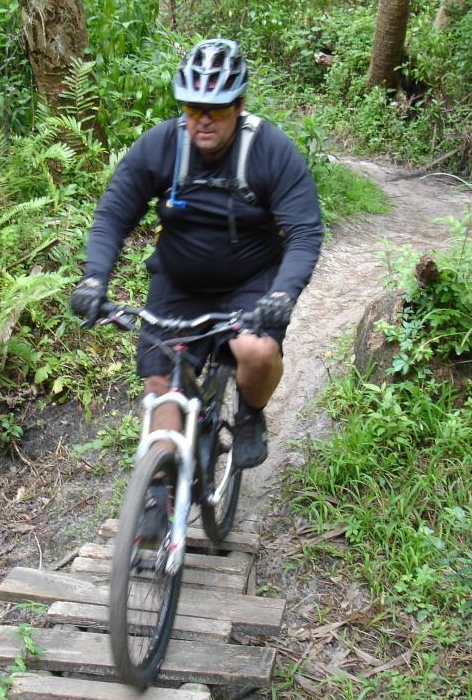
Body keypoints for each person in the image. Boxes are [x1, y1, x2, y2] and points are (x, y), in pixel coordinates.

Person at [70, 38, 324, 532]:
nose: (203, 119)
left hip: (250, 284)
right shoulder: (162, 146)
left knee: (255, 353)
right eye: (192, 107)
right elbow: (111, 216)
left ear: (239, 105)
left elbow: (304, 230)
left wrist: (281, 295)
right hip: (177, 283)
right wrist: (94, 278)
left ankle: (249, 413)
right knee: (162, 389)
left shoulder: (269, 150)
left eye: (216, 108)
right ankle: (161, 496)